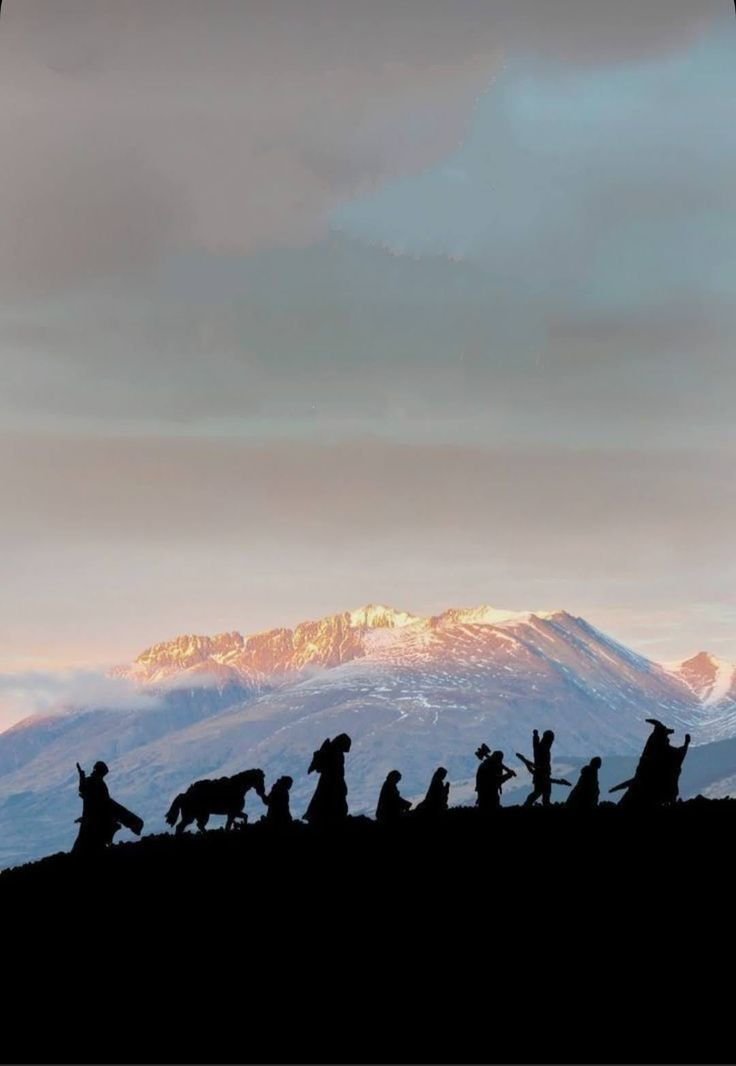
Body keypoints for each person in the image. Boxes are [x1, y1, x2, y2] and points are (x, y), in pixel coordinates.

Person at [72, 760, 143, 855]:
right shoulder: (95, 782)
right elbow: (86, 791)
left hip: (94, 818)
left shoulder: (96, 782)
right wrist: (81, 776)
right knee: (85, 842)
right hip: (94, 818)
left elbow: (101, 799)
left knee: (85, 842)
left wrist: (82, 777)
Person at [304, 733, 352, 826]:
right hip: (331, 781)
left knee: (331, 800)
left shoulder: (335, 751)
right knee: (329, 801)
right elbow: (332, 767)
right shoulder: (334, 751)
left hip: (334, 781)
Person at [475, 745, 515, 813]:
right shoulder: (489, 767)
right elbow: (496, 780)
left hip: (485, 793)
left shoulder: (487, 765)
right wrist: (508, 775)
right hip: (488, 794)